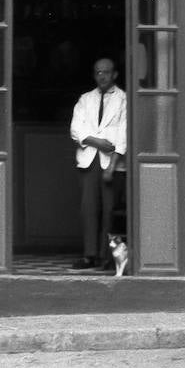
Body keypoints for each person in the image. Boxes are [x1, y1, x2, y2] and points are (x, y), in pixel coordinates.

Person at [69, 57, 127, 270]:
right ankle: (89, 255)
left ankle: (106, 257)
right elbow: (76, 129)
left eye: (106, 72)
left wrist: (112, 166)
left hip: (113, 164)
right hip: (89, 161)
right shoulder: (85, 99)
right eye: (97, 72)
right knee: (89, 209)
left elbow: (123, 134)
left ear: (115, 74)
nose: (101, 76)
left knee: (109, 211)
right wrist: (97, 142)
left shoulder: (124, 99)